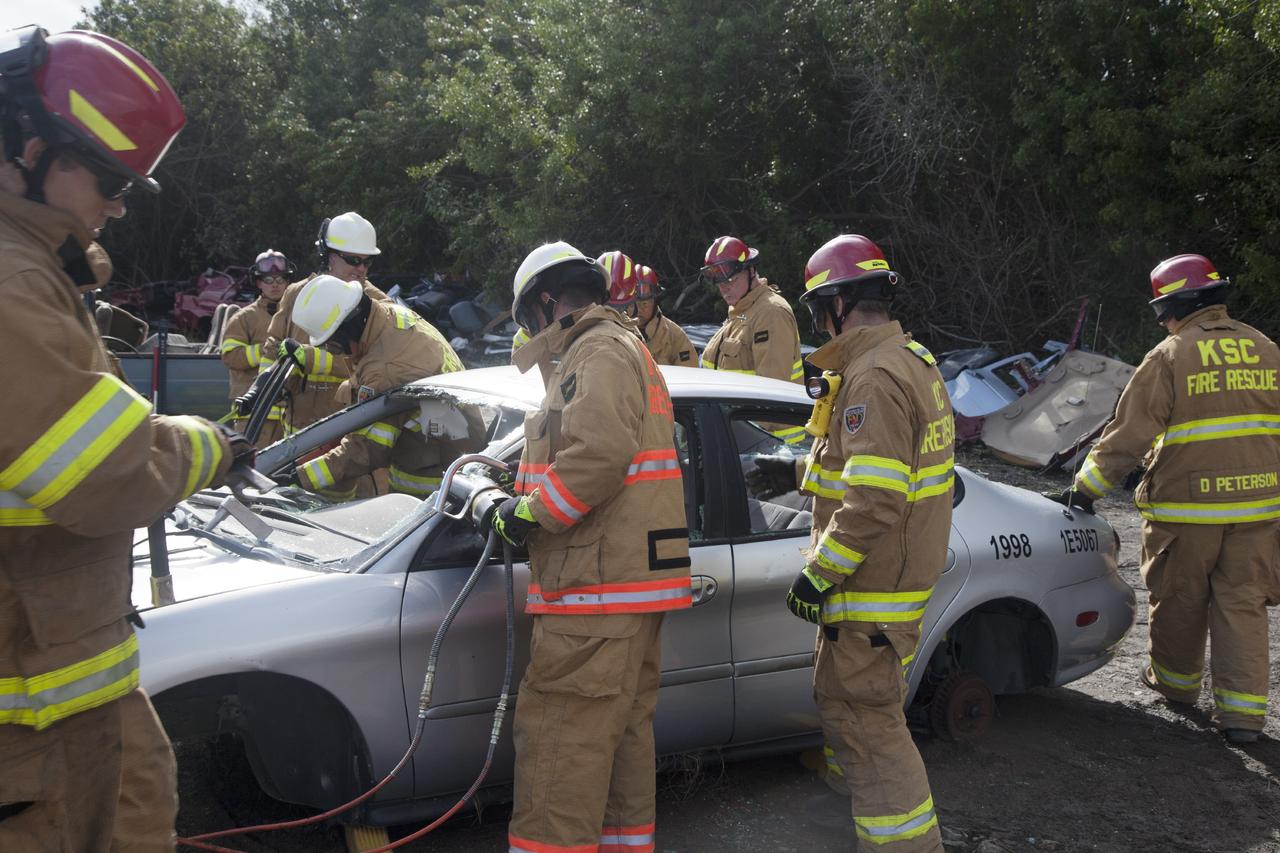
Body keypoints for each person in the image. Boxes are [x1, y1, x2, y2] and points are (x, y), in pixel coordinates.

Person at [0, 26, 253, 851]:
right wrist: (205, 445)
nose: (116, 202)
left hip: (60, 671)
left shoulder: (34, 269)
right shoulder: (11, 279)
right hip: (28, 714)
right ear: (33, 149)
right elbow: (98, 464)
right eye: (109, 178)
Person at [483, 241, 692, 853]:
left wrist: (528, 515)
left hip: (596, 588)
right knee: (620, 738)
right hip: (626, 583)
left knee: (560, 741)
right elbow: (588, 451)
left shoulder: (594, 351)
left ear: (547, 302)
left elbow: (598, 456)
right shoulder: (621, 345)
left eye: (528, 319)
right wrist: (514, 486)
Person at [766, 234, 952, 850]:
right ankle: (854, 812)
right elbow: (864, 470)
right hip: (887, 581)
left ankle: (905, 844)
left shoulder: (871, 379)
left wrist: (819, 572)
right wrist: (786, 473)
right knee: (843, 706)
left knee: (872, 723)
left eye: (821, 306)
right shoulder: (909, 361)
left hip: (871, 590)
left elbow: (873, 501)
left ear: (839, 305)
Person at [1055, 253, 1280, 744]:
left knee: (1180, 600)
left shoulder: (1171, 356)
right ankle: (1243, 719)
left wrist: (1084, 489)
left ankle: (1176, 689)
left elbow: (1128, 436)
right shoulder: (1267, 349)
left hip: (1189, 512)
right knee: (1243, 606)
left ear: (1171, 307)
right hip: (1261, 511)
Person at [284, 274, 473, 499]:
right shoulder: (389, 316)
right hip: (456, 449)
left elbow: (365, 451)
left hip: (432, 484)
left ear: (348, 329)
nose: (337, 354)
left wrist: (297, 479)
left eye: (332, 346)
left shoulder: (385, 370)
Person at [261, 211, 388, 433]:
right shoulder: (297, 294)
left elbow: (384, 366)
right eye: (353, 260)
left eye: (367, 262)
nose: (361, 268)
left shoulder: (378, 304)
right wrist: (265, 390)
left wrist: (311, 359)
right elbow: (272, 349)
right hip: (298, 429)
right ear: (329, 256)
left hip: (348, 429)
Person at [698, 235, 803, 383]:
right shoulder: (740, 312)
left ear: (751, 270)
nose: (724, 289)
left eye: (731, 280)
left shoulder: (771, 313)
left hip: (749, 407)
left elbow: (772, 390)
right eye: (719, 283)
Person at [220, 249, 292, 445]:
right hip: (252, 411)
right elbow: (230, 357)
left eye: (280, 279)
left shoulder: (297, 316)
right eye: (269, 279)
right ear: (259, 282)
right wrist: (266, 350)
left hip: (288, 412)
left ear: (287, 282)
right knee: (253, 468)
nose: (275, 284)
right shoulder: (244, 318)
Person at [633, 264, 696, 366]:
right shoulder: (618, 333)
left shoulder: (675, 336)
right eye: (634, 304)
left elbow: (690, 376)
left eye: (645, 303)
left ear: (655, 301)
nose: (639, 309)